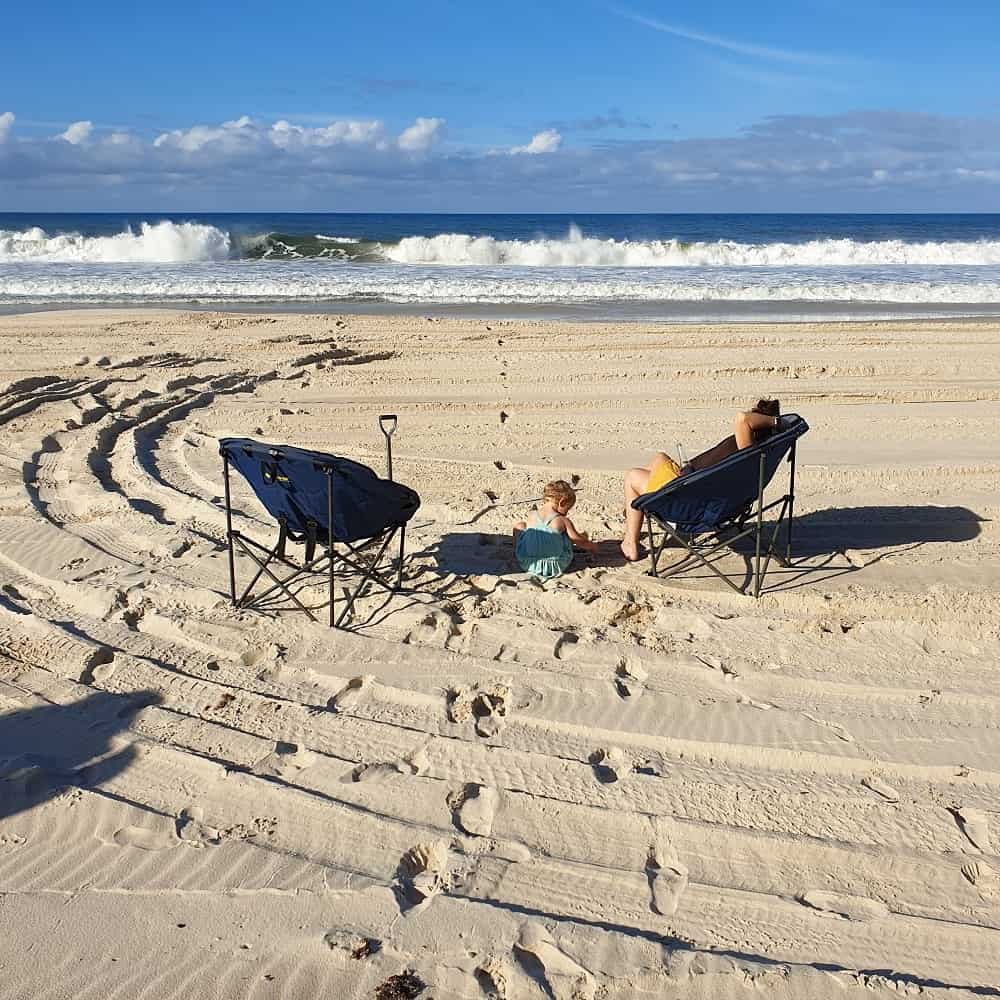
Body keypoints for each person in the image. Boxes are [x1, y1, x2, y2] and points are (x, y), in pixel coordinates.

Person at [620, 400, 782, 562]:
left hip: (686, 501)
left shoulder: (749, 452)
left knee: (632, 476)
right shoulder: (758, 458)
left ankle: (630, 543)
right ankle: (633, 512)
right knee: (659, 458)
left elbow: (742, 418)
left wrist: (775, 421)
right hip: (692, 486)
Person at [514, 480, 598, 579]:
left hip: (527, 563)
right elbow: (579, 542)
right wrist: (593, 547)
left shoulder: (532, 515)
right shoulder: (562, 520)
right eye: (567, 509)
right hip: (556, 566)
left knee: (519, 526)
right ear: (562, 502)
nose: (566, 513)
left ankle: (519, 549)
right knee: (565, 533)